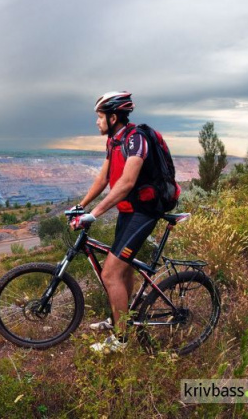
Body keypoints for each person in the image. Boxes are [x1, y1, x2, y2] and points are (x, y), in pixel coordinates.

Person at [70, 91, 159, 353]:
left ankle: (120, 342)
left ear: (113, 116)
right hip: (128, 211)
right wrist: (81, 205)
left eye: (99, 117)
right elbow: (103, 179)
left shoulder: (135, 140)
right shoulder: (113, 141)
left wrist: (94, 214)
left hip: (144, 212)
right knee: (124, 268)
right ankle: (121, 318)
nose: (97, 122)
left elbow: (127, 183)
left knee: (110, 272)